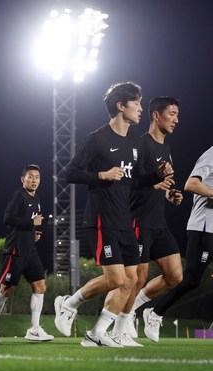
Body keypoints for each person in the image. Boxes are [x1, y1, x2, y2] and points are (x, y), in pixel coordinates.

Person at [54, 82, 173, 347]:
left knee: (131, 281)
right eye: (137, 104)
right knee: (116, 279)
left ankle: (95, 334)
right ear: (121, 106)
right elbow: (70, 173)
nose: (141, 109)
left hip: (125, 220)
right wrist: (101, 175)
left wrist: (157, 176)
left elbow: (136, 181)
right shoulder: (98, 139)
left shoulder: (135, 142)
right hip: (101, 219)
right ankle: (68, 303)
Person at [125, 98, 184, 331]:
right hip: (139, 220)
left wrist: (170, 195)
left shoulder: (166, 149)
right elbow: (129, 183)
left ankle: (139, 308)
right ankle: (123, 320)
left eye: (177, 114)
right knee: (137, 279)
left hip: (159, 222)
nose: (176, 120)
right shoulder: (139, 145)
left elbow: (163, 185)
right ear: (155, 115)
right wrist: (154, 183)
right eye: (172, 114)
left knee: (175, 276)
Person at [143, 146, 212, 340]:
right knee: (192, 279)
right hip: (204, 227)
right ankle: (155, 314)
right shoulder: (212, 154)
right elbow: (191, 185)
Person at [0, 164, 54, 343]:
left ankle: (34, 329)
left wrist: (33, 233)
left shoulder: (36, 199)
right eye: (30, 176)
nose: (34, 180)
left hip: (30, 251)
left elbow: (26, 225)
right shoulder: (18, 196)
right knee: (6, 290)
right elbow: (7, 218)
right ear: (23, 179)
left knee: (40, 286)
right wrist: (31, 223)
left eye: (37, 177)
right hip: (15, 251)